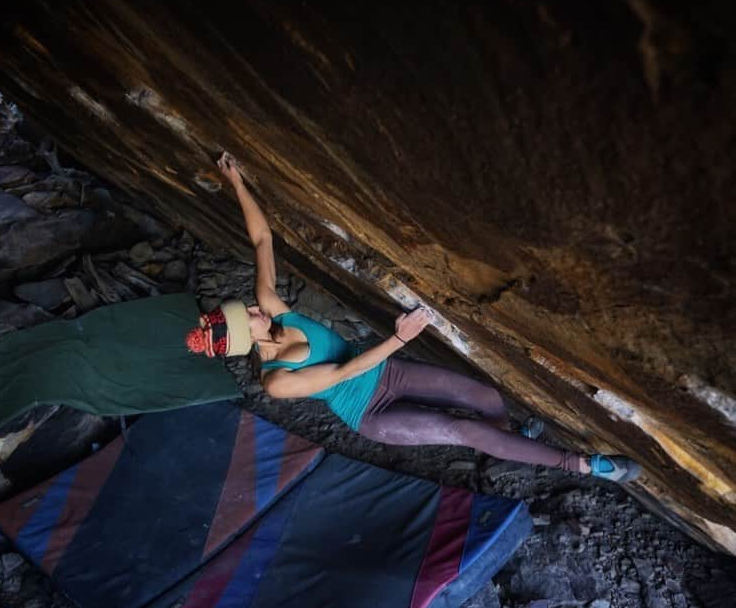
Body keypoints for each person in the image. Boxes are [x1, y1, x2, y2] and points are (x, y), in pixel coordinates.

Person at [185, 152, 641, 484]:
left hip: (389, 372)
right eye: (247, 314)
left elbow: (263, 240)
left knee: (484, 396)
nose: (252, 307)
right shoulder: (276, 381)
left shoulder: (272, 309)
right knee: (461, 429)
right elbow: (344, 370)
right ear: (250, 335)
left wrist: (238, 183)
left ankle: (508, 439)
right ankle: (584, 465)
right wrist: (400, 338)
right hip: (370, 413)